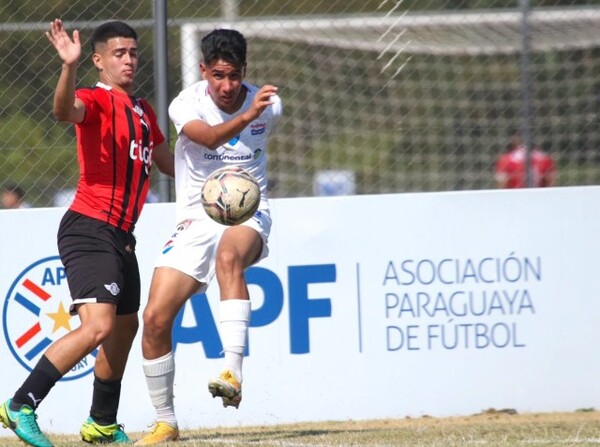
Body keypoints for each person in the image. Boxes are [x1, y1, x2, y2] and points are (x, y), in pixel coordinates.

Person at [0, 19, 173, 447]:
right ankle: (21, 404)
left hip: (121, 236)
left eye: (133, 52)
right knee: (98, 327)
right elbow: (63, 112)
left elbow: (171, 164)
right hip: (89, 226)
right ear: (98, 60)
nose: (129, 59)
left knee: (124, 328)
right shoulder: (93, 98)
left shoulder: (144, 111)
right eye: (119, 53)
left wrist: (218, 157)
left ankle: (100, 422)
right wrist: (67, 68)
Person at [135, 28, 282, 445]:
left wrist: (254, 113)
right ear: (203, 71)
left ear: (244, 71)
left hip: (248, 213)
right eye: (218, 75)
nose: (227, 86)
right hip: (195, 219)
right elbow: (208, 138)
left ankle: (231, 371)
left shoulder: (269, 106)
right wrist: (247, 115)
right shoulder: (187, 103)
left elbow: (253, 126)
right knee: (155, 317)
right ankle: (166, 422)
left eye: (234, 76)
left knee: (228, 260)